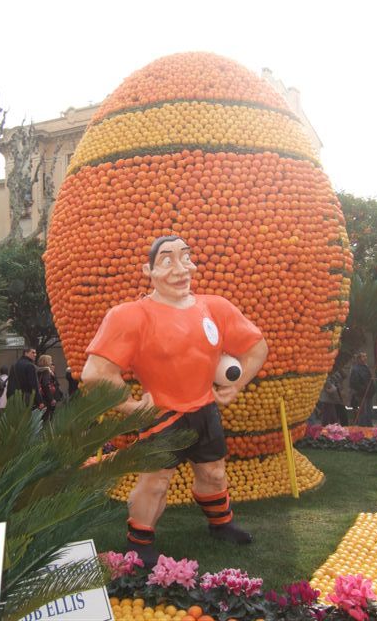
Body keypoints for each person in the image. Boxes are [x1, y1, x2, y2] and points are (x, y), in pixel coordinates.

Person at [82, 235, 268, 567]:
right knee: (155, 482)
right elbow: (95, 373)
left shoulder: (216, 308)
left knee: (214, 473)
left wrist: (237, 385)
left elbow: (257, 347)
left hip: (205, 409)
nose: (180, 268)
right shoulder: (130, 316)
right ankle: (139, 541)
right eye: (167, 261)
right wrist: (130, 406)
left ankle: (221, 524)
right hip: (163, 416)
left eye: (186, 257)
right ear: (149, 271)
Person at [349, 352, 375, 426]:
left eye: (365, 356)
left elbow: (370, 380)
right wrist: (363, 389)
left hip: (369, 393)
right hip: (361, 394)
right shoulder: (355, 369)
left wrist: (372, 389)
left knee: (369, 411)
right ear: (359, 359)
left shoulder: (366, 367)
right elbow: (353, 383)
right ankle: (362, 426)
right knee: (363, 412)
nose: (365, 358)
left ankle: (369, 425)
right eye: (363, 356)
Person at [37, 354, 58, 420]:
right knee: (47, 417)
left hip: (40, 397)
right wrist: (51, 399)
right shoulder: (46, 371)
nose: (51, 362)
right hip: (46, 398)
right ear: (46, 362)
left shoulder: (38, 371)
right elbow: (45, 385)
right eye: (50, 360)